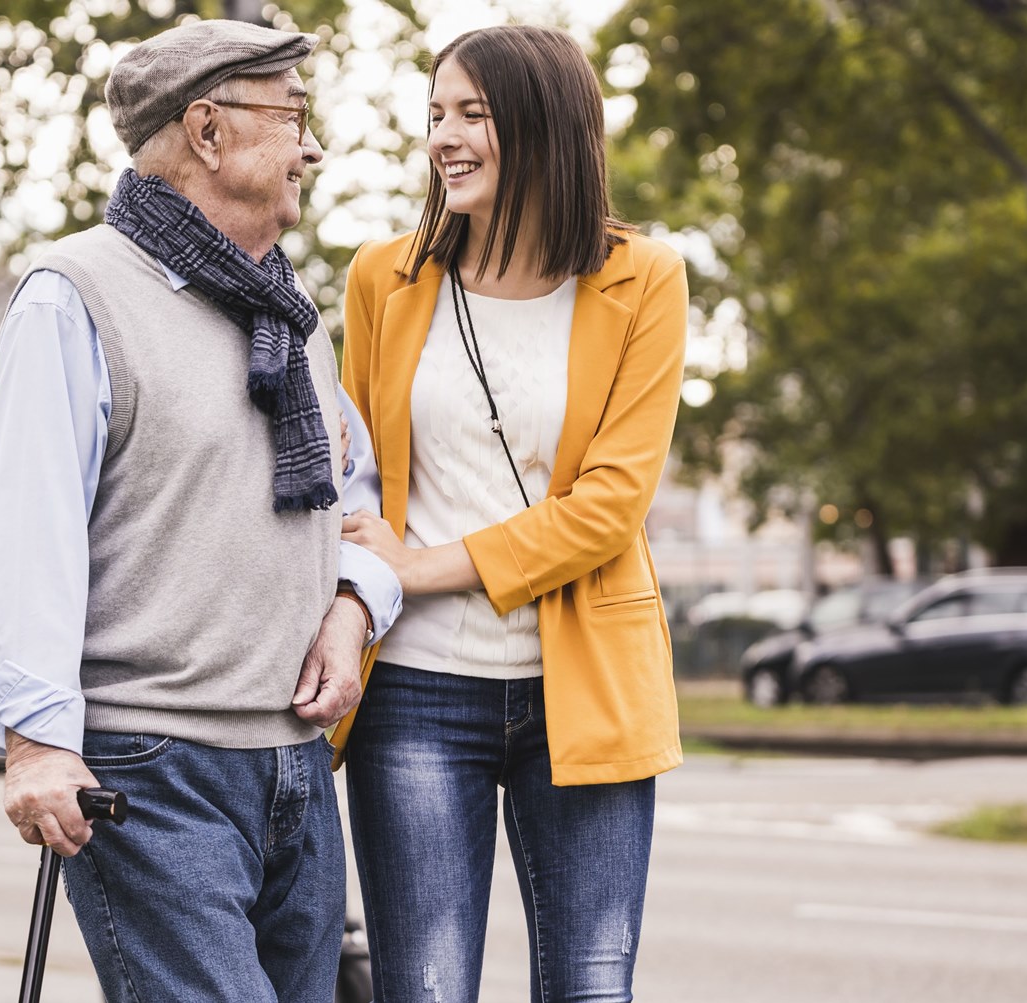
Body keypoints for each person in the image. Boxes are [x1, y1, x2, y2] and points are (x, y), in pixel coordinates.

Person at [0, 20, 400, 1003]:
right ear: (209, 132)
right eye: (293, 116)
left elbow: (356, 503)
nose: (312, 146)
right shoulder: (73, 295)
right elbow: (29, 532)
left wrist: (352, 604)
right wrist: (35, 740)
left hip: (294, 766)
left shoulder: (291, 314)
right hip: (152, 770)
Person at [333, 23, 689, 1003]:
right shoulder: (384, 278)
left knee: (587, 985)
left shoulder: (642, 278)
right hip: (413, 692)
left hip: (585, 686)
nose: (445, 137)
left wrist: (418, 565)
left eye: (472, 114)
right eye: (436, 114)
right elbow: (355, 476)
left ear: (542, 125)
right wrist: (361, 586)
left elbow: (609, 506)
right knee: (428, 987)